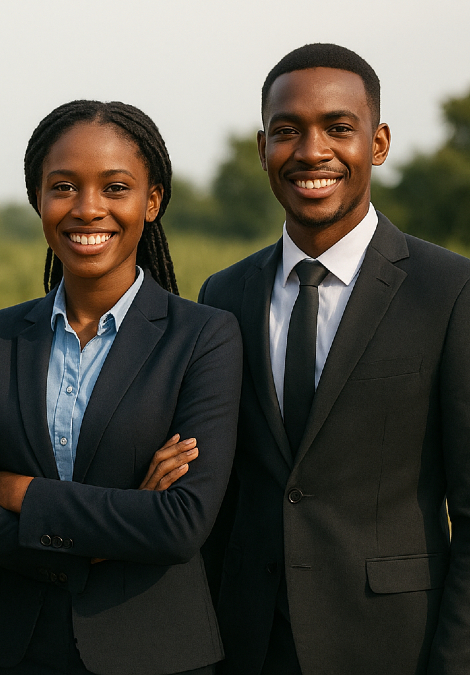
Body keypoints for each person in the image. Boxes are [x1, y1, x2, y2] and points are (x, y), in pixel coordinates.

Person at [0, 100, 243, 675]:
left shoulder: (204, 336)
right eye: (64, 187)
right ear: (39, 200)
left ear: (152, 202)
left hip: (153, 651)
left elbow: (180, 524)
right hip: (7, 651)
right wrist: (121, 525)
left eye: (116, 187)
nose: (88, 208)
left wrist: (22, 494)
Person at [199, 43, 470, 674]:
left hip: (393, 646)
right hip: (248, 644)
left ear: (377, 143)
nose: (312, 151)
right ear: (261, 146)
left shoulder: (449, 290)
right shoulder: (225, 293)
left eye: (338, 128)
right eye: (287, 131)